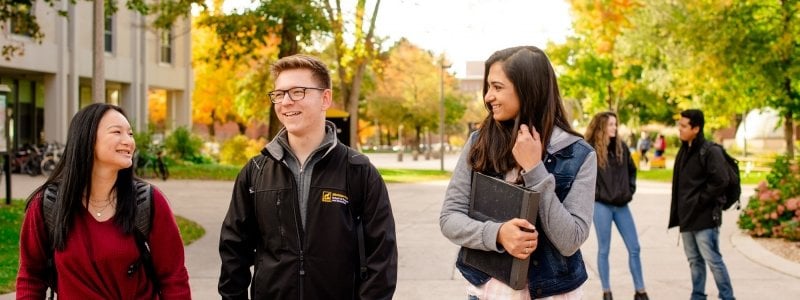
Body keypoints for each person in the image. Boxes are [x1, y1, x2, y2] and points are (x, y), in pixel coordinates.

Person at [218, 54, 398, 299]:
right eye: (279, 94)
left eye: (298, 92)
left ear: (325, 98)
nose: (286, 102)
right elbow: (233, 251)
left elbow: (382, 257)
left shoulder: (358, 171)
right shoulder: (256, 172)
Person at [440, 46, 597, 299]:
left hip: (554, 294)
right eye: (488, 87)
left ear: (528, 89)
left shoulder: (578, 154)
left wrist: (535, 170)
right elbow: (449, 218)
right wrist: (498, 234)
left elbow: (571, 240)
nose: (488, 96)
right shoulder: (480, 142)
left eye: (498, 87)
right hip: (487, 292)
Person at [16, 103, 190, 298]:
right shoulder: (47, 204)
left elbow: (174, 278)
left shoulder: (148, 201)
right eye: (117, 132)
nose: (129, 141)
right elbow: (31, 277)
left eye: (130, 134)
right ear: (88, 139)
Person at [669, 109, 735, 300]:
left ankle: (727, 296)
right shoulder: (684, 151)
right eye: (679, 125)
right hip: (687, 217)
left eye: (683, 126)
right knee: (694, 261)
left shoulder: (710, 151)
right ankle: (698, 295)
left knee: (713, 260)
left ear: (696, 128)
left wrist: (700, 201)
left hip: (705, 217)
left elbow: (721, 180)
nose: (679, 129)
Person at [585, 112, 649, 300]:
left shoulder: (622, 147)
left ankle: (640, 291)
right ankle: (607, 292)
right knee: (604, 249)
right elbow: (584, 178)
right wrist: (596, 195)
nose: (614, 127)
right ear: (601, 126)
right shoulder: (590, 149)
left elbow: (632, 171)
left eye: (615, 124)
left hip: (621, 206)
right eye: (611, 124)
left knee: (634, 247)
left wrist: (629, 190)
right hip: (602, 206)